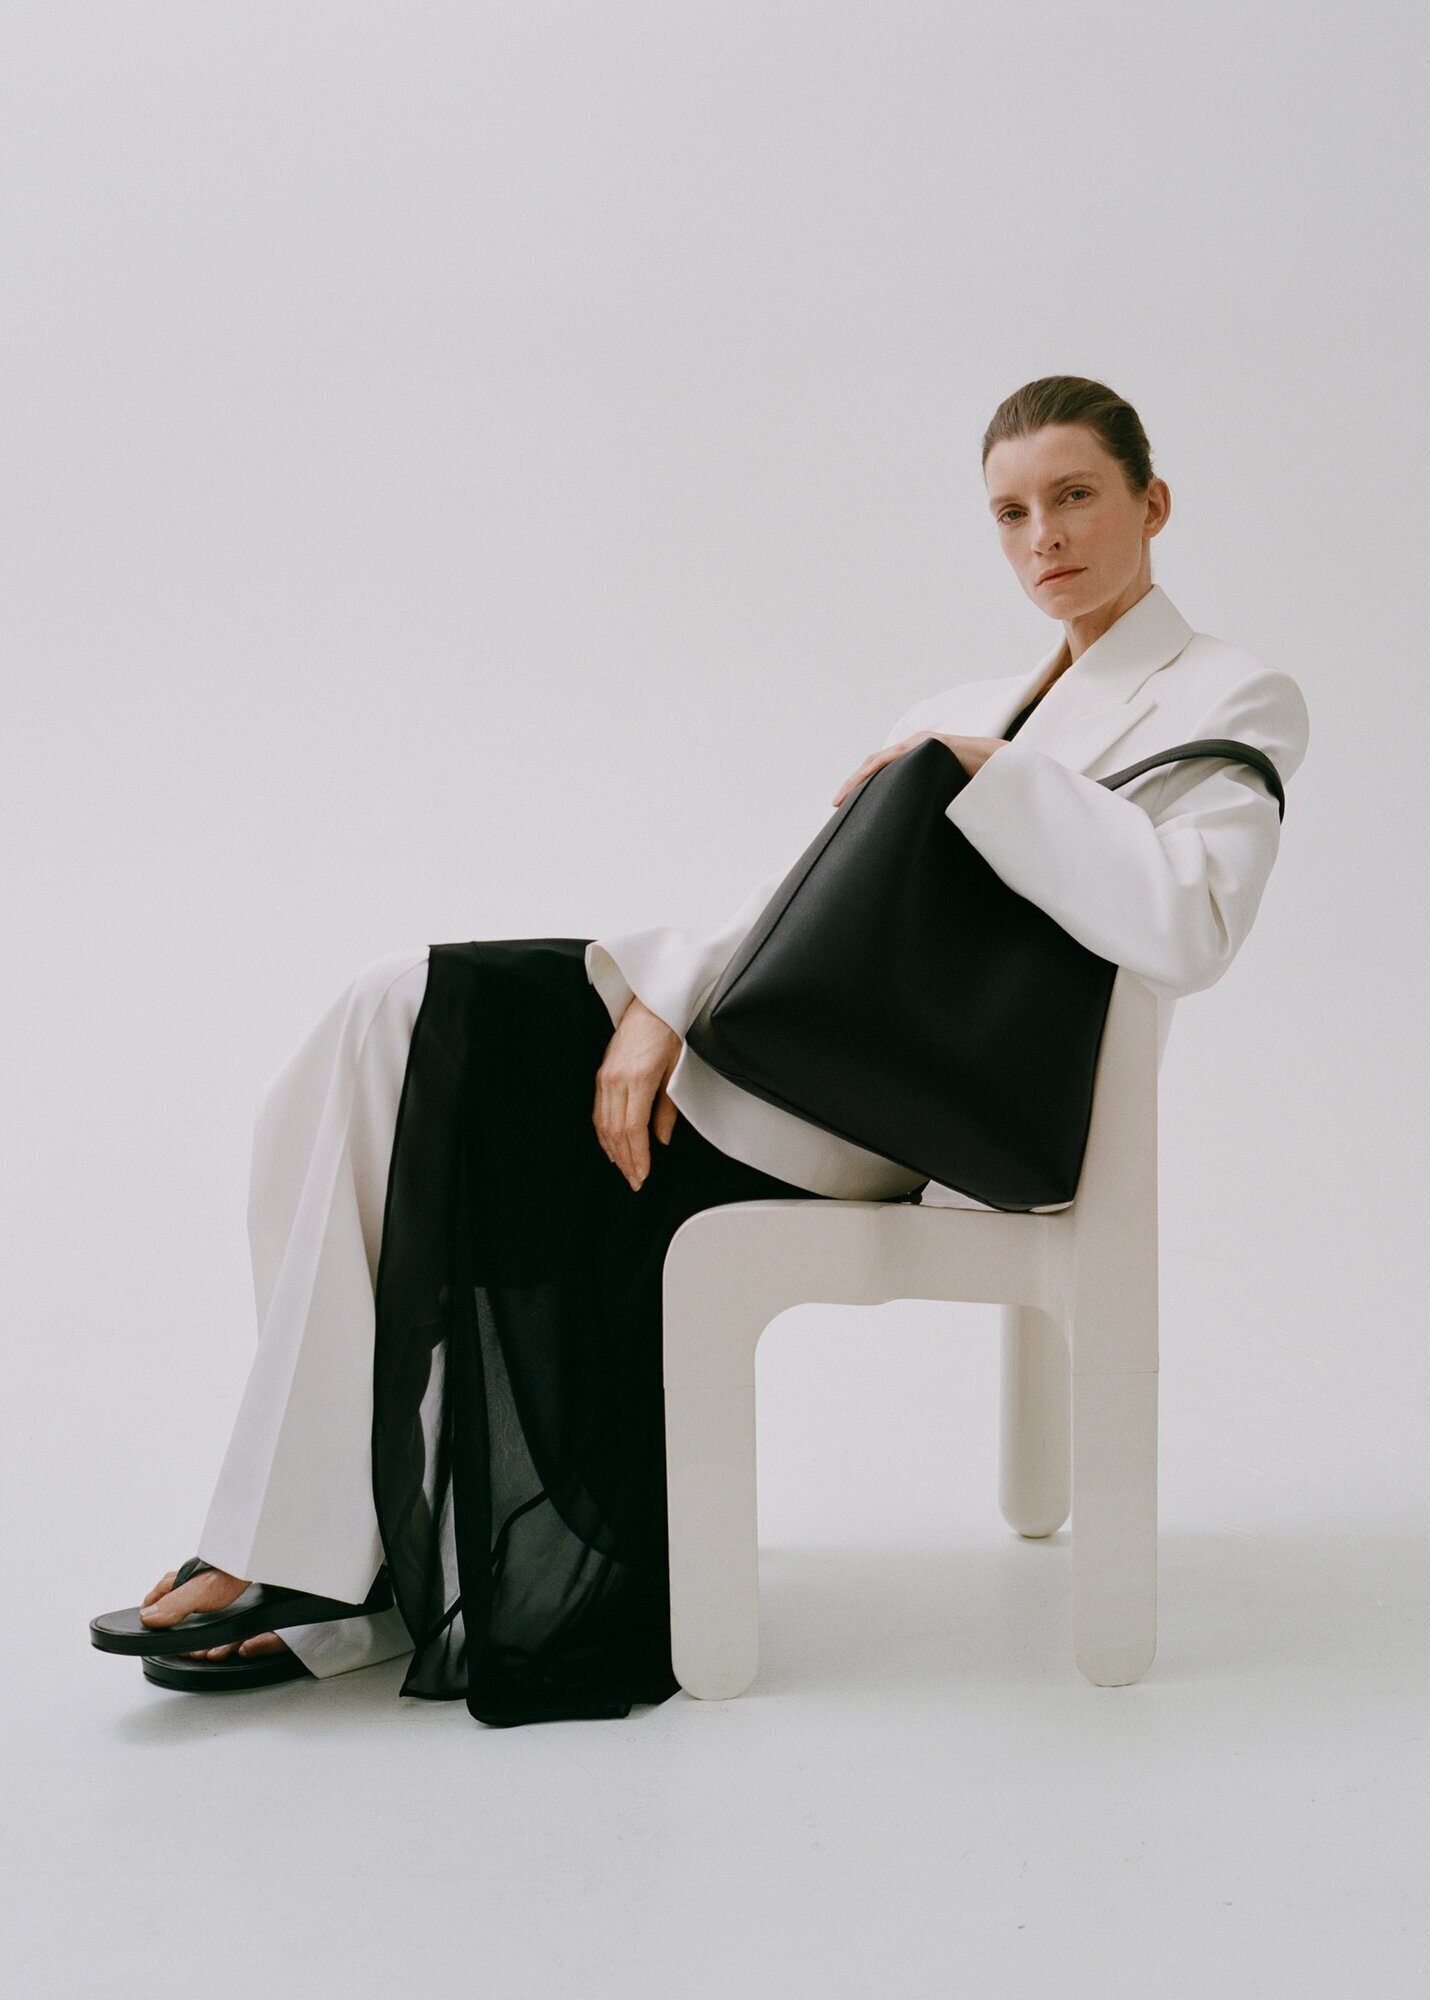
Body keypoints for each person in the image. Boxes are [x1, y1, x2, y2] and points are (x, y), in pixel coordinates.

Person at [88, 374, 1310, 1720]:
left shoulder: (1230, 694)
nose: (1044, 538)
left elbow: (1191, 926)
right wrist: (661, 1001)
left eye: (1074, 496)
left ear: (1153, 501)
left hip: (881, 1112)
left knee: (431, 1051)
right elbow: (803, 904)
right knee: (383, 1015)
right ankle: (335, 1544)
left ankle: (299, 1563)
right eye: (1010, 513)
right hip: (760, 1050)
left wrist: (992, 775)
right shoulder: (968, 696)